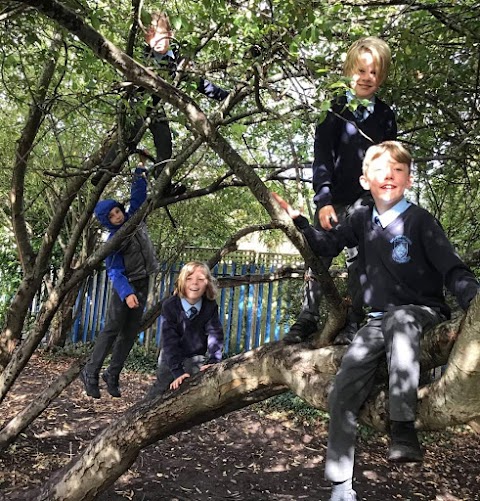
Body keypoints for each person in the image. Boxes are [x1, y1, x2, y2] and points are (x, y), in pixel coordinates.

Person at [273, 141, 480, 501]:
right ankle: (341, 484)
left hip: (420, 312)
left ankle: (403, 428)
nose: (389, 175)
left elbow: (452, 269)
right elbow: (325, 245)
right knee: (344, 386)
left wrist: (474, 299)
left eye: (397, 170)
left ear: (408, 179)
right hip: (376, 321)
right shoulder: (360, 219)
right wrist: (299, 222)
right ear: (364, 180)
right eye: (380, 170)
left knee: (400, 319)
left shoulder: (420, 221)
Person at [285, 36, 397, 345]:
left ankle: (354, 321)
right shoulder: (334, 107)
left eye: (374, 72)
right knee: (319, 255)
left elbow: (390, 160)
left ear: (382, 76)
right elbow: (322, 155)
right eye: (360, 70)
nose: (366, 77)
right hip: (334, 197)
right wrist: (323, 200)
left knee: (359, 259)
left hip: (367, 200)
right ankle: (307, 317)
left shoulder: (386, 115)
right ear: (349, 71)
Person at [92, 11, 229, 189]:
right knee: (129, 134)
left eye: (160, 35)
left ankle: (163, 185)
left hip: (156, 108)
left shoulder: (178, 62)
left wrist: (225, 96)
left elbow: (200, 84)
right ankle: (105, 171)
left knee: (164, 141)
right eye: (150, 36)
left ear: (170, 35)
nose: (155, 40)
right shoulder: (142, 56)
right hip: (139, 103)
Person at [80, 163, 159, 399]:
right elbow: (114, 272)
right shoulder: (114, 240)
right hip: (126, 288)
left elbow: (138, 197)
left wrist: (139, 173)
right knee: (113, 329)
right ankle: (91, 372)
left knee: (130, 333)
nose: (118, 216)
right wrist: (127, 293)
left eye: (118, 211)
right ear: (106, 221)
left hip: (143, 283)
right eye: (112, 216)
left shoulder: (135, 218)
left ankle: (112, 375)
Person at [146, 261, 224, 398]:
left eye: (200, 279)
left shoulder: (210, 306)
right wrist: (178, 372)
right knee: (161, 388)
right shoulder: (170, 306)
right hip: (170, 356)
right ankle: (144, 414)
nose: (195, 283)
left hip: (195, 356)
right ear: (182, 282)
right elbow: (169, 341)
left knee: (191, 390)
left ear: (207, 284)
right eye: (189, 278)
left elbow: (215, 333)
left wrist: (214, 360)